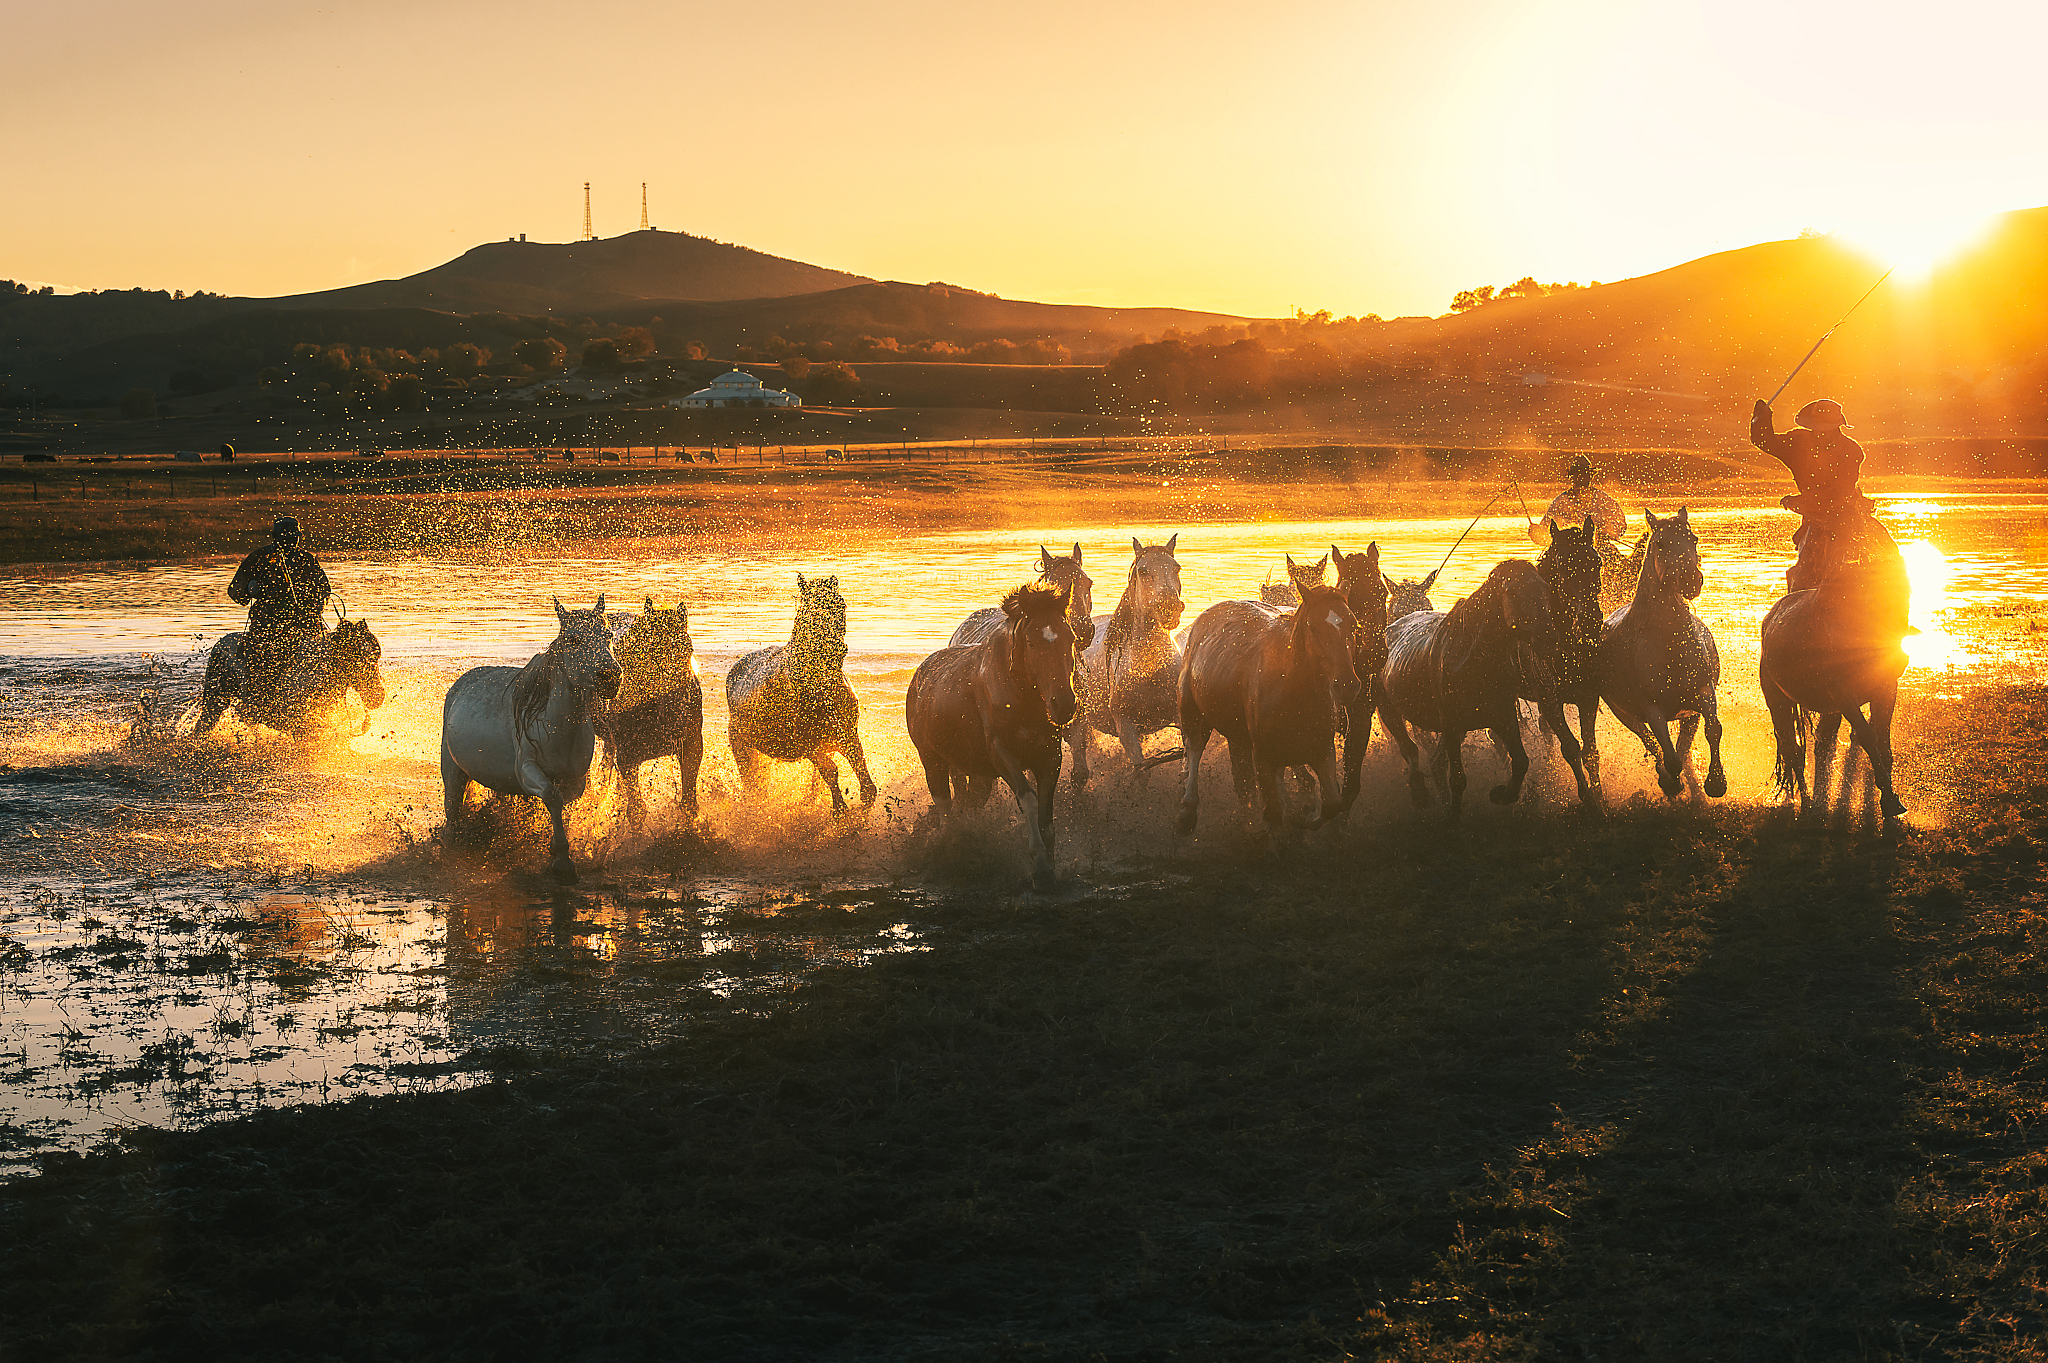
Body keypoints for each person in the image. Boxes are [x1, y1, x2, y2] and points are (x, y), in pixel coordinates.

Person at [1751, 397, 1873, 591]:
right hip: (1813, 516)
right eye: (1815, 427)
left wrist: (1801, 501)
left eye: (1825, 428)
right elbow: (1767, 442)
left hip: (1844, 513)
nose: (1819, 433)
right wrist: (1761, 419)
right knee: (1806, 571)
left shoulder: (1851, 450)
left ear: (1837, 427)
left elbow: (1840, 491)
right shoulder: (1798, 442)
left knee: (1859, 560)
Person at [228, 518, 332, 696]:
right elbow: (234, 591)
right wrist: (251, 590)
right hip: (267, 624)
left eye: (294, 538)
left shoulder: (307, 559)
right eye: (286, 538)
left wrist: (318, 605)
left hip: (306, 624)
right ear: (275, 537)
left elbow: (324, 590)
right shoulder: (259, 558)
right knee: (256, 657)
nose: (290, 542)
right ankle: (255, 697)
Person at [1528, 454, 1627, 550]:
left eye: (1585, 474)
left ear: (1590, 476)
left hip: (1597, 548)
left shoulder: (1602, 500)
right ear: (1572, 477)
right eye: (1578, 475)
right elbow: (1544, 535)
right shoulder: (1560, 502)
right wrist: (1535, 532)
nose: (1581, 478)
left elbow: (1621, 525)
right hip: (1563, 551)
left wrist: (1605, 533)